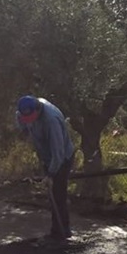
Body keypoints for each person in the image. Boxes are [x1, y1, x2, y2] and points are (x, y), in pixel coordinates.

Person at [16, 95, 76, 243]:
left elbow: (58, 153)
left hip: (62, 159)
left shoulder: (51, 120)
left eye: (31, 118)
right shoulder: (23, 112)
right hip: (47, 156)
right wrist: (24, 131)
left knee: (58, 194)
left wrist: (51, 174)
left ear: (37, 110)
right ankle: (57, 230)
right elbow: (20, 120)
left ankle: (62, 232)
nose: (29, 121)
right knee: (52, 196)